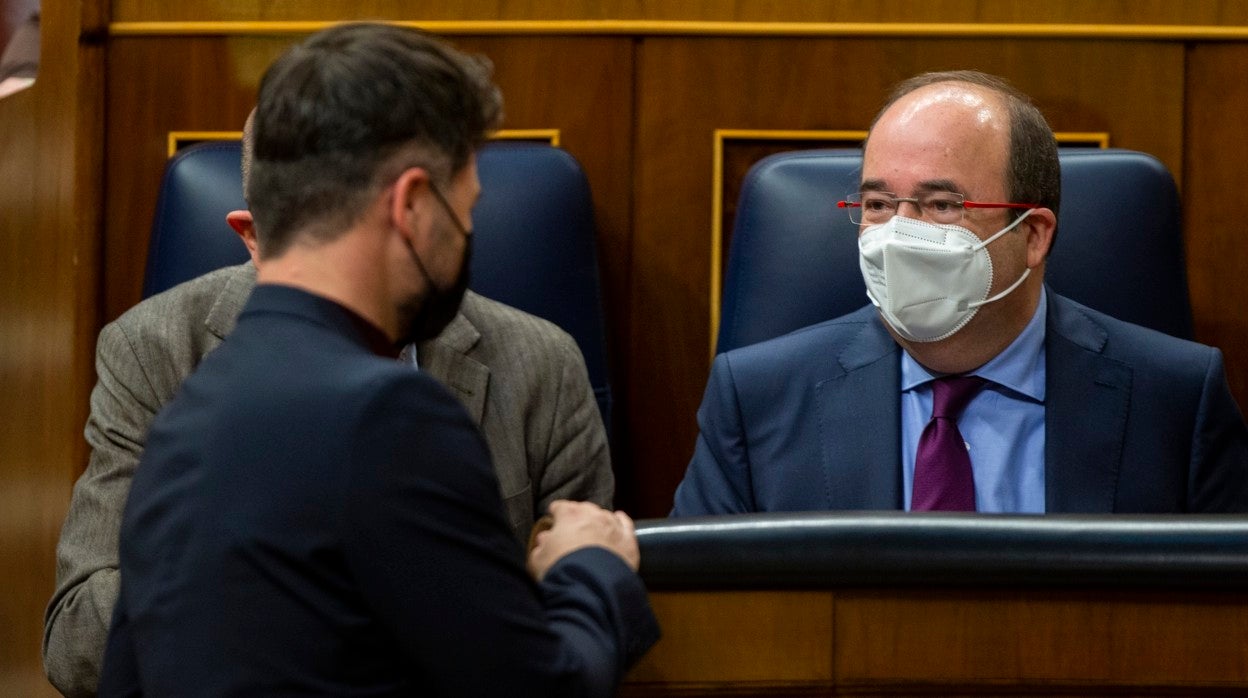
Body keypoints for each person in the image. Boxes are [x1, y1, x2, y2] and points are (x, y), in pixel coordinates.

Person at [88, 22, 656, 696]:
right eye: (467, 208)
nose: (470, 234)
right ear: (413, 204)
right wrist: (589, 566)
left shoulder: (191, 412)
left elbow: (127, 678)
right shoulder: (392, 413)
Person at [672, 69, 1248, 516]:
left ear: (1033, 235)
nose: (899, 235)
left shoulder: (1176, 401)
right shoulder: (756, 399)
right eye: (877, 205)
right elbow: (705, 617)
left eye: (942, 205)